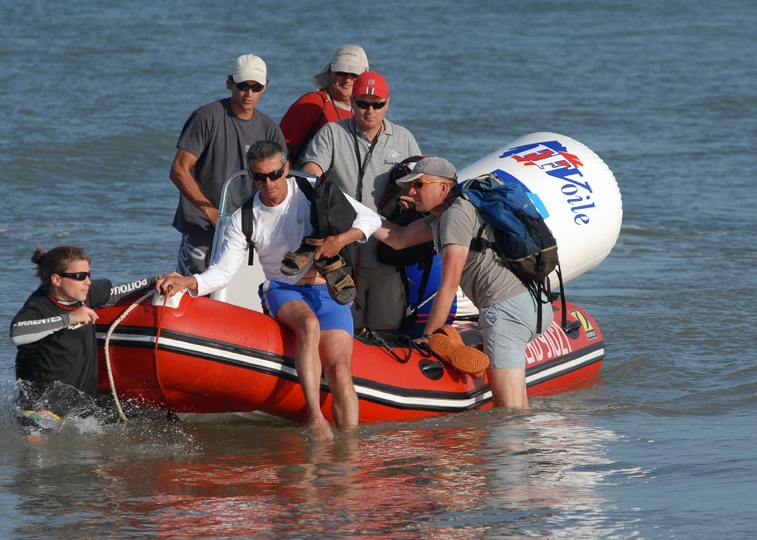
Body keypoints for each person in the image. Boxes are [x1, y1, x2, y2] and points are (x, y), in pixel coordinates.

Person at [156, 141, 382, 442]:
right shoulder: (244, 217)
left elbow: (370, 219)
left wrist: (340, 240)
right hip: (283, 289)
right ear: (250, 176)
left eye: (275, 174)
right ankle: (315, 419)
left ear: (286, 169)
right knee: (309, 326)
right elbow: (222, 272)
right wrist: (187, 281)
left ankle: (350, 446)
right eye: (260, 177)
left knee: (340, 369)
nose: (269, 183)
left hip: (329, 290)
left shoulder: (312, 188)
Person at [373, 157, 554, 409]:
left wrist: (429, 336)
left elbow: (449, 283)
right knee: (517, 407)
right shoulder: (448, 212)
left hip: (506, 311)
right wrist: (357, 215)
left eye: (419, 184)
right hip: (528, 303)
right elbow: (399, 238)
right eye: (410, 186)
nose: (411, 191)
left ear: (443, 188)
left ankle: (514, 449)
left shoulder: (454, 216)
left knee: (508, 413)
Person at [301, 70, 420, 332]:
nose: (370, 111)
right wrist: (314, 181)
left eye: (377, 104)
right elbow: (310, 172)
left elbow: (419, 187)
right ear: (352, 102)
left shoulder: (405, 138)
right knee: (342, 329)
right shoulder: (331, 133)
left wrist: (409, 202)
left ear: (387, 103)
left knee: (386, 328)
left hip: (386, 253)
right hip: (340, 254)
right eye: (363, 104)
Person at [169, 54, 287, 276]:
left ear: (265, 86)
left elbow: (281, 181)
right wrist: (209, 210)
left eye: (256, 87)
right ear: (230, 82)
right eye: (243, 86)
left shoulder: (270, 129)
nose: (249, 93)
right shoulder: (206, 117)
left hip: (249, 231)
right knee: (195, 294)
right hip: (202, 229)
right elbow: (178, 170)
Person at [10, 245, 155, 420]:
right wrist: (68, 319)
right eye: (80, 276)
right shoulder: (39, 306)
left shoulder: (84, 294)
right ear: (56, 279)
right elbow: (17, 333)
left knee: (145, 421)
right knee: (37, 441)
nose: (88, 282)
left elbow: (116, 292)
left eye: (88, 275)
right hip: (41, 407)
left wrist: (157, 280)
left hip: (81, 404)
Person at [279, 44, 369, 167]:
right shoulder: (312, 103)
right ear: (330, 73)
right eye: (341, 73)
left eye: (354, 75)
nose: (347, 80)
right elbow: (279, 151)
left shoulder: (368, 111)